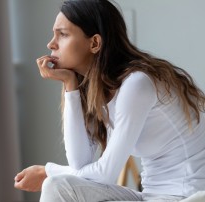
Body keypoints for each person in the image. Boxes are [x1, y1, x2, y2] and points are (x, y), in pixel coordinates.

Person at [14, 0, 205, 201]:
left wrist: (48, 171)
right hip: (151, 196)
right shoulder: (96, 90)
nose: (51, 44)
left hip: (186, 196)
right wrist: (70, 85)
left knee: (56, 182)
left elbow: (106, 174)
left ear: (95, 43)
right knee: (58, 185)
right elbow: (80, 163)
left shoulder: (136, 84)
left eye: (63, 34)